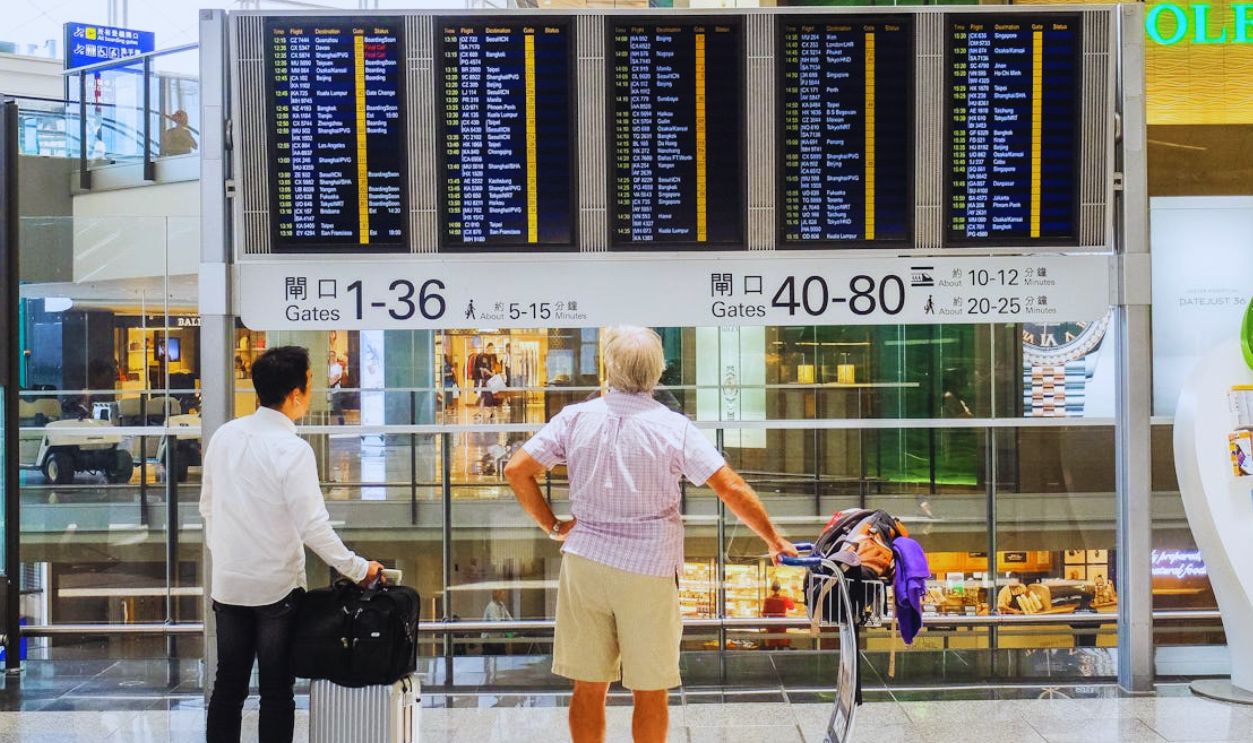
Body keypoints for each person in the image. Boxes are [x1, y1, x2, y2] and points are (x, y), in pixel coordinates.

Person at [504, 326, 797, 743]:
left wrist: (552, 525)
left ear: (609, 368)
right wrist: (773, 538)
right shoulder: (672, 427)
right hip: (648, 569)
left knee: (587, 686)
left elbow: (517, 470)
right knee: (650, 690)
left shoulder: (574, 418)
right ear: (657, 373)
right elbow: (729, 487)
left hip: (584, 562)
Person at [200, 346, 383, 743]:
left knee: (227, 686)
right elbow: (313, 526)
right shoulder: (292, 450)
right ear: (295, 394)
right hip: (275, 590)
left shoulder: (224, 436)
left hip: (229, 584)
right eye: (311, 384)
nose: (312, 392)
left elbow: (207, 507)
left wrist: (228, 556)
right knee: (276, 690)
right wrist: (358, 568)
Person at [761, 581, 796, 650]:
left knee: (771, 645)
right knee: (781, 644)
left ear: (771, 589)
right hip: (781, 625)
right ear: (780, 589)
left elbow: (764, 614)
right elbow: (792, 607)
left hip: (771, 626)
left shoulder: (767, 599)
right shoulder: (784, 599)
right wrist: (790, 597)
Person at [481, 588, 514, 656]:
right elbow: (497, 623)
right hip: (490, 642)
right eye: (502, 592)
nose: (504, 594)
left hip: (499, 640)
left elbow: (509, 619)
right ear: (497, 594)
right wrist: (507, 631)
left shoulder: (501, 605)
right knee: (491, 662)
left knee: (502, 660)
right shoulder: (491, 607)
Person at [327, 352, 345, 425]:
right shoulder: (326, 366)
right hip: (327, 391)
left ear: (335, 356)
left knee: (336, 407)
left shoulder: (338, 367)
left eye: (333, 355)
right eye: (330, 356)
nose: (331, 357)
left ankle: (341, 423)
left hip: (335, 390)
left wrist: (329, 379)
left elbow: (335, 379)